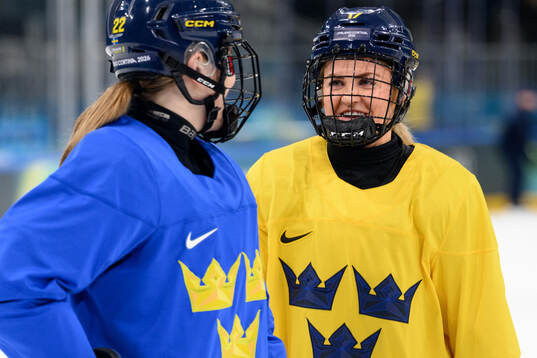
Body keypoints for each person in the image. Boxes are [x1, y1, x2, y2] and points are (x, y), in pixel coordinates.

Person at [0, 1, 285, 357]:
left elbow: (253, 312)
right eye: (226, 60)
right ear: (198, 62)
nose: (231, 78)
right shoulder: (119, 160)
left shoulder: (222, 167)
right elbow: (13, 283)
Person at [247, 6, 520, 358]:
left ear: (401, 90)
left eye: (367, 82)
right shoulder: (272, 176)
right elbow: (244, 311)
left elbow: (482, 331)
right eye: (335, 82)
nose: (347, 97)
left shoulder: (450, 188)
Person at [500, 89, 537, 207]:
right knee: (517, 174)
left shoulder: (521, 116)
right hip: (513, 150)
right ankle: (514, 200)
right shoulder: (521, 116)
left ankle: (515, 199)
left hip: (513, 150)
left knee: (517, 174)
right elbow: (517, 137)